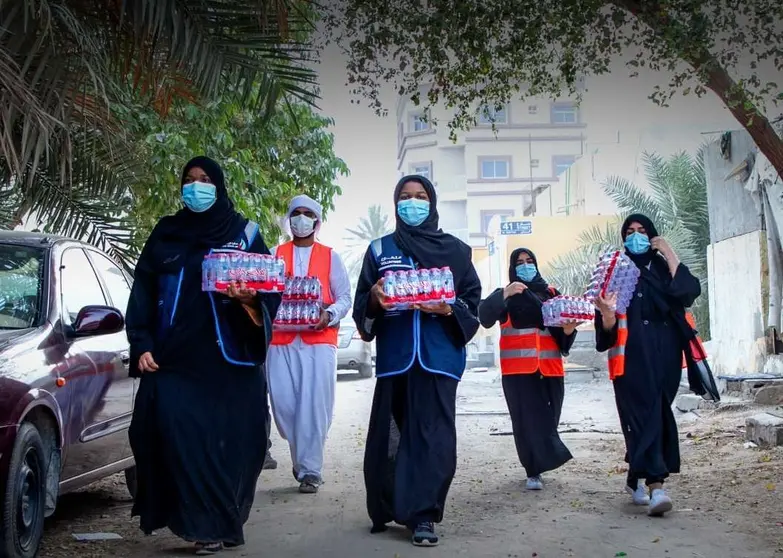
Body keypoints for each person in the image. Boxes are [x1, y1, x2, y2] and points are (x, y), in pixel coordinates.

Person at [126, 156, 281, 555]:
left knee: (232, 443)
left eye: (206, 179)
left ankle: (221, 521)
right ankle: (199, 523)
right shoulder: (167, 232)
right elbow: (143, 290)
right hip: (175, 362)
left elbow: (270, 290)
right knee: (178, 440)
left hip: (230, 362)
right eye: (190, 180)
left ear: (220, 186)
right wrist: (141, 343)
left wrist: (249, 299)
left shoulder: (245, 233)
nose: (196, 187)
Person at [353, 175, 482, 547]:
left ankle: (423, 514)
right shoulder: (380, 249)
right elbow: (364, 306)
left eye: (421, 196)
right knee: (390, 439)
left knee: (433, 438)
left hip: (439, 357)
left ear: (433, 202)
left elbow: (471, 303)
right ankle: (387, 506)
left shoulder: (456, 251)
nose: (413, 203)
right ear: (396, 205)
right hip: (395, 358)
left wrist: (447, 308)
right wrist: (376, 300)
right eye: (406, 197)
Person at [594, 214, 701, 517]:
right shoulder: (615, 269)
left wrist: (668, 251)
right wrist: (608, 315)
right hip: (630, 355)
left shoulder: (663, 267)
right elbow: (605, 326)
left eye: (642, 231)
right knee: (645, 414)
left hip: (666, 354)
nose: (636, 236)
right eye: (629, 232)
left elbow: (688, 292)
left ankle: (634, 476)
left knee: (655, 412)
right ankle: (657, 487)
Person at [266, 194, 352, 494]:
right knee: (285, 406)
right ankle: (301, 457)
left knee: (314, 406)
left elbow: (344, 298)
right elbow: (265, 294)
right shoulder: (275, 254)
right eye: (296, 214)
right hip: (281, 340)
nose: (301, 219)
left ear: (317, 221)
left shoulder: (331, 256)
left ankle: (310, 470)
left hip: (319, 341)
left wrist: (329, 314)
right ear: (289, 220)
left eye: (307, 214)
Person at [478, 248, 576, 491]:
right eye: (519, 262)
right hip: (518, 371)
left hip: (550, 368)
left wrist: (568, 330)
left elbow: (564, 342)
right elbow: (483, 316)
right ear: (513, 267)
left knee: (549, 420)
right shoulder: (507, 296)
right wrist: (504, 294)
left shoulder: (552, 294)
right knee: (525, 422)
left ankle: (543, 461)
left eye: (529, 261)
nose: (525, 265)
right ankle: (533, 470)